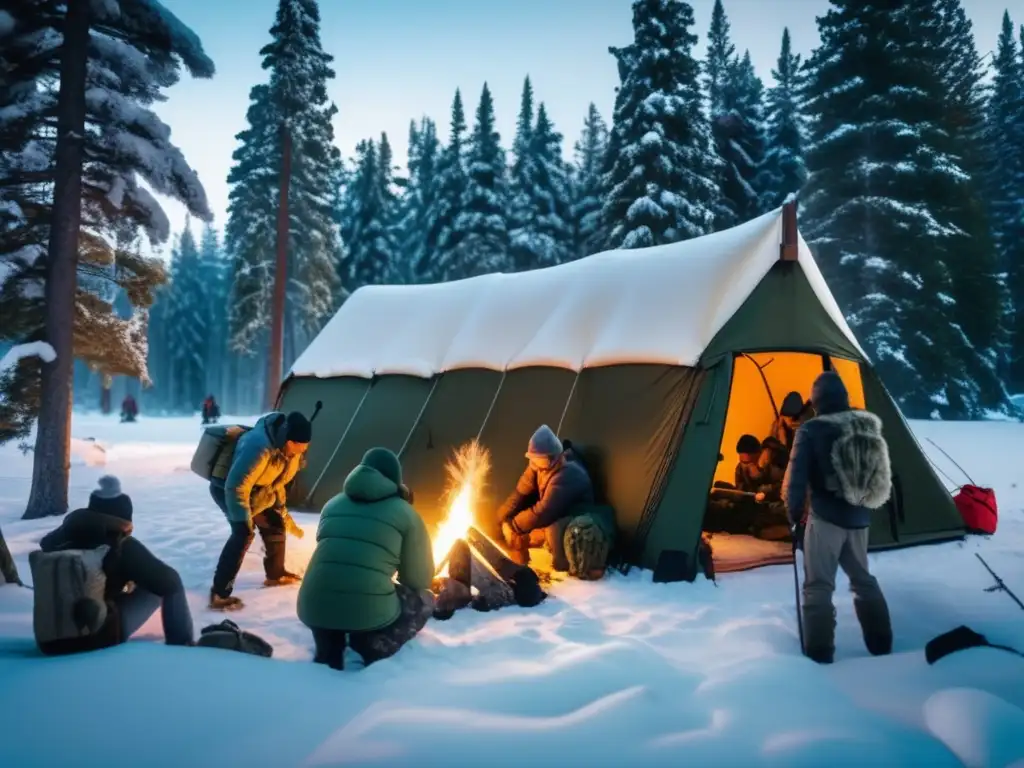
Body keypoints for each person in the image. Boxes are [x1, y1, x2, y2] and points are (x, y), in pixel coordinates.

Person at [782, 371, 894, 664]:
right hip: (860, 518)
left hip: (825, 519)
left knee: (818, 585)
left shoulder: (810, 430)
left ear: (816, 402)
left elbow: (794, 482)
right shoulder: (865, 425)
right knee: (863, 580)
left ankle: (819, 653)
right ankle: (881, 644)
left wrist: (793, 517)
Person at [297, 447, 435, 670]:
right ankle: (375, 643)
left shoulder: (332, 504)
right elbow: (419, 580)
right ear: (395, 480)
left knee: (344, 586)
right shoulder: (406, 513)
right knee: (423, 599)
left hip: (313, 605)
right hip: (366, 612)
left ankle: (330, 646)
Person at [35, 476, 194, 654]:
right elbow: (170, 582)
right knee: (158, 587)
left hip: (48, 640)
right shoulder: (121, 545)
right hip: (97, 637)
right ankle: (183, 648)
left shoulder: (57, 540)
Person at [208, 410, 311, 611]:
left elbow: (278, 481)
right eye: (300, 446)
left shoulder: (291, 452)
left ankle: (275, 574)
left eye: (305, 447)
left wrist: (281, 509)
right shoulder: (258, 447)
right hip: (226, 488)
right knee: (243, 534)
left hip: (258, 490)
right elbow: (236, 486)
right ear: (289, 440)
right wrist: (242, 520)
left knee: (274, 523)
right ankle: (219, 593)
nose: (302, 450)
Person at [497, 425, 595, 569]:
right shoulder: (538, 465)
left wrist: (513, 526)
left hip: (574, 517)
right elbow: (519, 493)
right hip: (554, 511)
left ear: (550, 457)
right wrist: (501, 518)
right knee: (521, 524)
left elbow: (543, 511)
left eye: (536, 458)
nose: (533, 461)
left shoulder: (567, 473)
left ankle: (564, 561)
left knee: (551, 532)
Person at [706, 434, 787, 536]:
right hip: (747, 499)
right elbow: (741, 492)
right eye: (742, 462)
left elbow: (782, 487)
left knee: (753, 521)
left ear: (759, 455)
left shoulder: (772, 466)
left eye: (749, 462)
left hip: (764, 503)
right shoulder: (740, 468)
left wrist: (759, 481)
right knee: (718, 487)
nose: (745, 466)